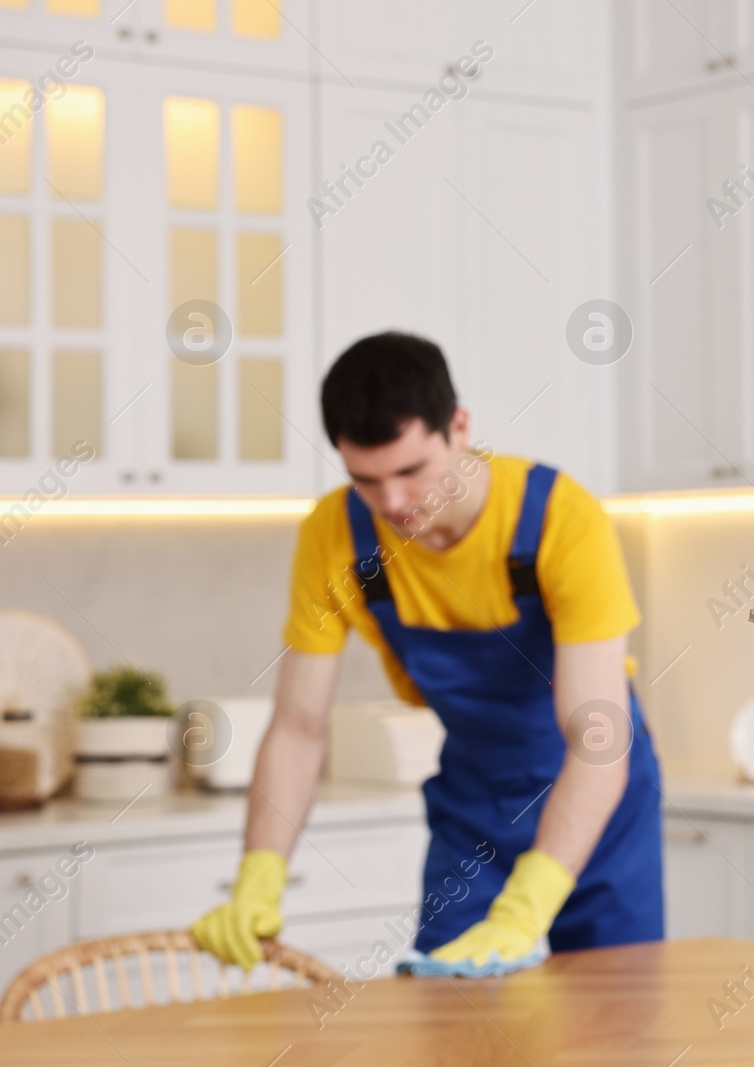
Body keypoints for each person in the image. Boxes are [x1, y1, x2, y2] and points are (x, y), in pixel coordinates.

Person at [192, 332, 662, 974]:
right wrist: (260, 872)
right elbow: (299, 729)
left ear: (459, 428)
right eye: (365, 480)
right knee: (450, 1016)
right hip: (475, 804)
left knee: (619, 1014)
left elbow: (599, 736)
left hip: (599, 798)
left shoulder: (558, 518)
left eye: (411, 472)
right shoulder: (337, 538)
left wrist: (528, 906)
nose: (392, 504)